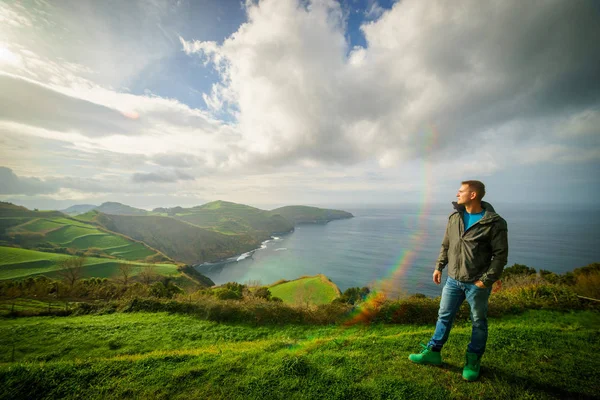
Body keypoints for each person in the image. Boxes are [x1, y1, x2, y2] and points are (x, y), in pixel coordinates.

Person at [408, 180, 508, 381]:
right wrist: (439, 266)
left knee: (478, 322)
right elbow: (446, 244)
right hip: (453, 280)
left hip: (477, 283)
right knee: (443, 316)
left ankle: (473, 360)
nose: (457, 194)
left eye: (461, 191)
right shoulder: (455, 217)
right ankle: (433, 353)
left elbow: (500, 255)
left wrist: (486, 280)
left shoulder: (495, 222)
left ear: (473, 195)